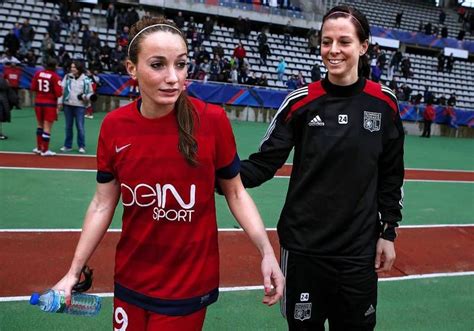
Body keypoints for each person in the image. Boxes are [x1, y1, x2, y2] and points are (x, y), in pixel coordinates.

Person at [51, 16, 284, 330]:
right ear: (132, 68)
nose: (173, 77)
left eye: (181, 64)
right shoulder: (114, 126)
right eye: (158, 64)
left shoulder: (212, 120)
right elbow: (103, 203)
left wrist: (266, 252)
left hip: (188, 284)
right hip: (131, 279)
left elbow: (236, 192)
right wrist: (73, 271)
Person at [238, 5, 404, 330]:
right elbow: (262, 165)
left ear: (363, 46)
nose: (333, 50)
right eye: (326, 42)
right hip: (303, 250)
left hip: (359, 251)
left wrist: (389, 232)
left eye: (344, 41)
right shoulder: (300, 102)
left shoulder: (384, 103)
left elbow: (391, 173)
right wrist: (210, 172)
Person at [58, 60, 94, 154]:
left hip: (80, 106)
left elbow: (90, 92)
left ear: (79, 68)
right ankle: (67, 145)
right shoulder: (67, 77)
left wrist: (86, 98)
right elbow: (62, 90)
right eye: (72, 67)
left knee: (80, 126)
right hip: (68, 105)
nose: (72, 69)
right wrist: (60, 102)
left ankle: (82, 146)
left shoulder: (86, 79)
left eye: (74, 67)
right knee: (68, 126)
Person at [30, 58, 63, 156]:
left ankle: (39, 148)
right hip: (49, 104)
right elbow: (58, 93)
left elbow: (33, 88)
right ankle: (45, 150)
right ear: (54, 66)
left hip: (39, 102)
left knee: (40, 125)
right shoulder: (55, 77)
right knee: (47, 127)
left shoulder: (38, 74)